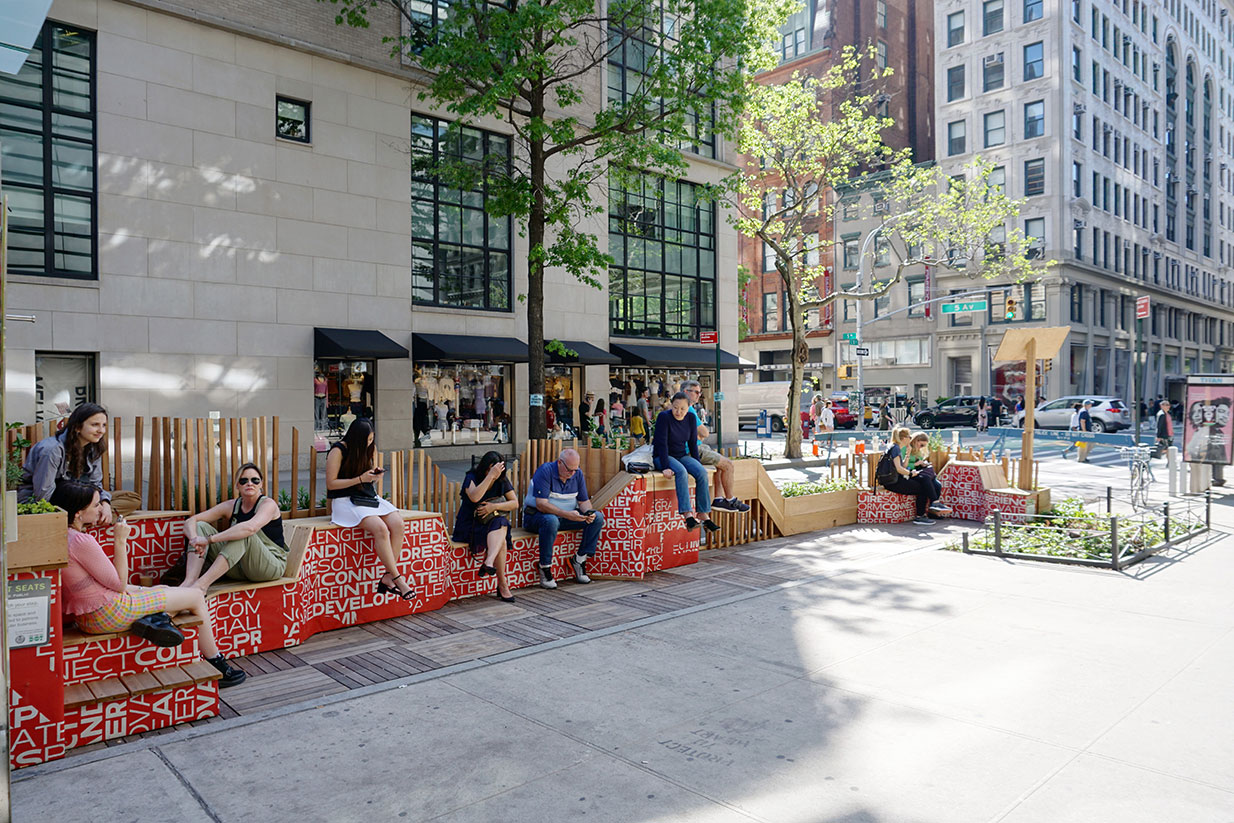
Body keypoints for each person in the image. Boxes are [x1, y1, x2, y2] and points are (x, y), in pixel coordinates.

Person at [51, 481, 246, 687]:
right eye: (96, 505)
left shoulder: (64, 538)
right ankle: (218, 665)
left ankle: (158, 618)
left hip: (89, 618)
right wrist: (120, 540)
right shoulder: (82, 542)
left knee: (162, 590)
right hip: (110, 612)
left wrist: (146, 590)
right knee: (196, 596)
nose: (101, 509)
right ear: (78, 513)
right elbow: (118, 584)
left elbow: (97, 585)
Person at [325, 419, 414, 602]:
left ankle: (388, 576)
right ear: (356, 438)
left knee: (397, 523)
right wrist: (360, 479)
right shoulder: (338, 450)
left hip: (365, 496)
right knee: (380, 528)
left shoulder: (370, 448)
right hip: (344, 500)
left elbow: (367, 477)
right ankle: (398, 579)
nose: (369, 443)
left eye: (372, 439)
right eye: (366, 439)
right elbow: (331, 484)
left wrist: (374, 476)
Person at [179, 463, 288, 593]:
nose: (249, 483)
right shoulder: (232, 506)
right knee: (200, 525)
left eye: (255, 480)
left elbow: (250, 528)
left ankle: (200, 587)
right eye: (243, 481)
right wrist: (195, 540)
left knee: (244, 534)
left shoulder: (268, 504)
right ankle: (189, 582)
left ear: (261, 484)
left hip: (268, 567)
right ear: (237, 485)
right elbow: (191, 521)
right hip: (238, 567)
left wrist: (209, 540)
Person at [18, 402, 113, 525]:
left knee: (130, 499)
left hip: (80, 499)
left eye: (104, 425)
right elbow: (43, 495)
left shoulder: (93, 447)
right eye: (95, 425)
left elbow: (96, 484)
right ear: (77, 427)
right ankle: (82, 518)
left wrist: (105, 504)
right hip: (49, 503)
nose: (101, 431)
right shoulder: (52, 450)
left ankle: (88, 516)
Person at [523, 448, 605, 589]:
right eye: (569, 470)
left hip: (565, 516)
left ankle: (579, 560)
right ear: (560, 463)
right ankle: (545, 567)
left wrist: (588, 513)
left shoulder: (577, 474)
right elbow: (541, 505)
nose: (572, 473)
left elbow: (583, 501)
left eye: (575, 469)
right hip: (537, 517)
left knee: (598, 517)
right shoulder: (545, 471)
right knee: (551, 520)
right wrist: (567, 514)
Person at [452, 451, 518, 602]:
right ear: (484, 468)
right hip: (470, 526)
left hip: (490, 525)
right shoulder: (471, 477)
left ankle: (489, 562)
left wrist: (493, 507)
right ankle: (502, 585)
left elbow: (515, 503)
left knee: (501, 523)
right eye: (489, 469)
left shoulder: (502, 480)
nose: (493, 473)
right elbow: (475, 496)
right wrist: (490, 477)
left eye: (495, 470)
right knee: (501, 539)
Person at [654, 393, 720, 533]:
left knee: (701, 472)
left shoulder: (690, 418)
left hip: (681, 455)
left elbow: (692, 443)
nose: (678, 412)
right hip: (663, 456)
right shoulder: (664, 417)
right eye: (676, 408)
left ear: (688, 408)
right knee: (681, 472)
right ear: (671, 405)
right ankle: (687, 515)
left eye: (682, 409)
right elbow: (662, 444)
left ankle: (703, 513)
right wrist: (665, 467)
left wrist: (696, 463)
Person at [681, 380, 749, 514]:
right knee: (728, 465)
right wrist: (699, 435)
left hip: (694, 447)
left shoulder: (684, 408)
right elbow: (704, 433)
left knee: (720, 463)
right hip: (692, 450)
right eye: (695, 392)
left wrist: (699, 435)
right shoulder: (687, 408)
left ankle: (718, 499)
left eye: (699, 392)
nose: (698, 395)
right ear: (685, 392)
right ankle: (730, 499)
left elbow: (701, 435)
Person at [878, 426, 937, 525]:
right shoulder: (895, 448)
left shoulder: (896, 447)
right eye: (909, 436)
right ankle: (920, 516)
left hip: (896, 479)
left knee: (924, 479)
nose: (910, 438)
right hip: (893, 482)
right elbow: (899, 469)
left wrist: (908, 454)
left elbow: (903, 465)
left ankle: (934, 504)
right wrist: (910, 473)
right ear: (904, 438)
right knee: (922, 488)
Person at [906, 432, 950, 516]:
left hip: (919, 471)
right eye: (921, 445)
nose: (921, 447)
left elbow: (919, 461)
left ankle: (933, 511)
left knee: (937, 485)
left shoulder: (918, 451)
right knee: (925, 483)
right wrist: (916, 464)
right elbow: (902, 464)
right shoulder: (907, 448)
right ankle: (934, 504)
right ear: (916, 441)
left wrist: (923, 463)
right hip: (909, 472)